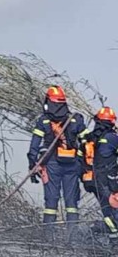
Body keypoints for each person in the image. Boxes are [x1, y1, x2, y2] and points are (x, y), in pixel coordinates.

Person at [28, 85, 86, 235]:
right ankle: (73, 237)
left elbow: (34, 145)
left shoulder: (44, 121)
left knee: (51, 201)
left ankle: (49, 237)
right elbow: (87, 143)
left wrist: (32, 164)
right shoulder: (76, 119)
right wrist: (82, 162)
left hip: (52, 164)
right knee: (71, 202)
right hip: (72, 164)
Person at [85, 107, 118, 244]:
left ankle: (113, 237)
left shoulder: (91, 138)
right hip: (108, 179)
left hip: (92, 179)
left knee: (106, 209)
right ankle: (115, 239)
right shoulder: (112, 138)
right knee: (114, 208)